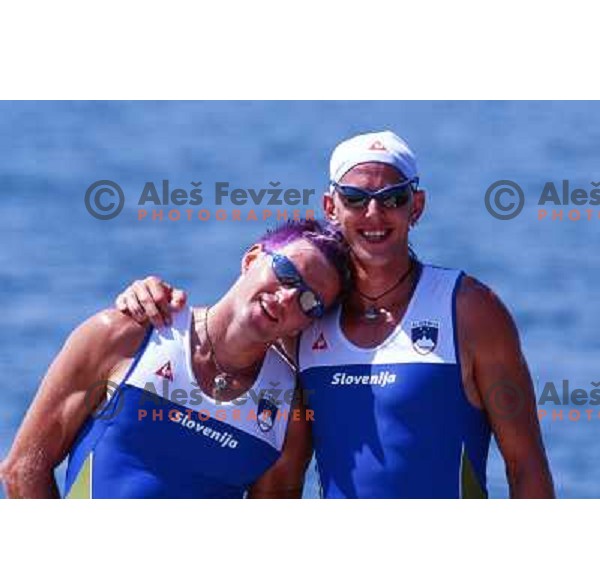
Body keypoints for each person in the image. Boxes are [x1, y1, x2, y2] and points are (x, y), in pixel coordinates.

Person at [107, 131, 555, 498]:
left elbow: (527, 468)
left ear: (415, 207)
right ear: (331, 208)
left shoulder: (470, 309)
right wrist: (148, 296)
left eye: (392, 198)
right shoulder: (304, 318)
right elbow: (278, 473)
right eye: (356, 198)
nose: (374, 213)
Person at [0, 220, 348, 498]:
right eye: (287, 273)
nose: (287, 297)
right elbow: (23, 468)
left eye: (309, 302)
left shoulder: (288, 413)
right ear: (252, 258)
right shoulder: (125, 334)